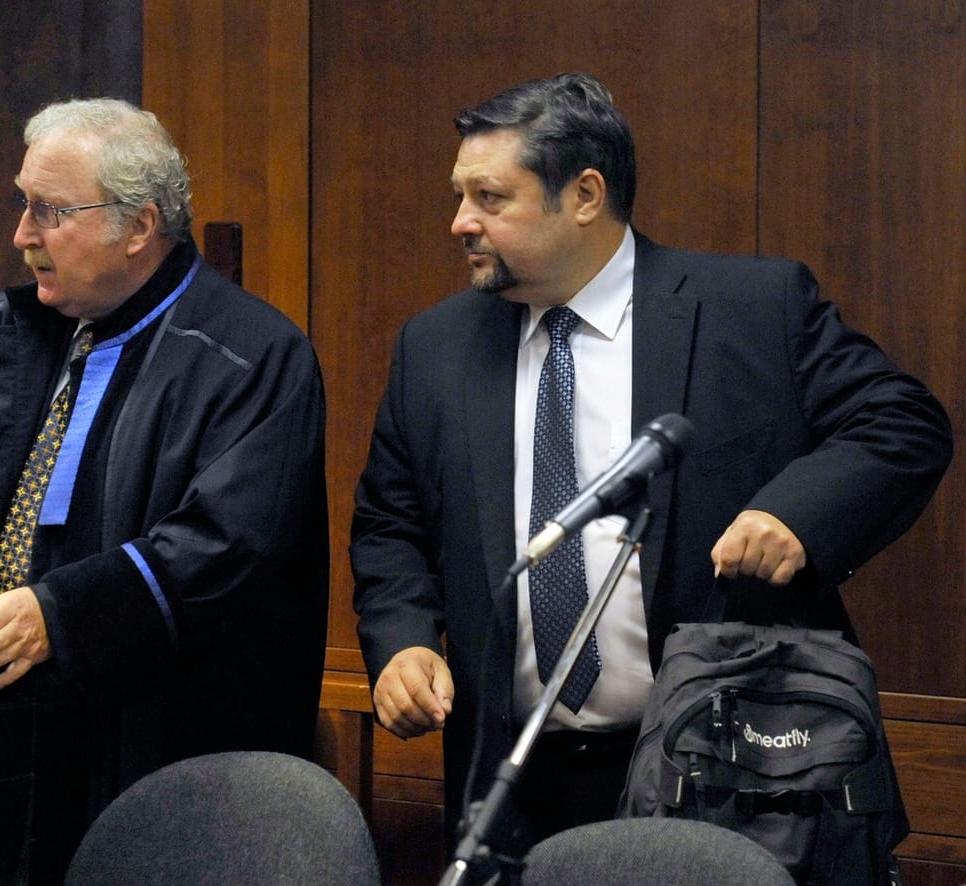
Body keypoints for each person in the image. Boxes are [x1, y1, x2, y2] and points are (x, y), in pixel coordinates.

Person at [350, 73, 952, 859]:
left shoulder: (752, 308)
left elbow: (903, 422)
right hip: (512, 780)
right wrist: (403, 641)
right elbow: (390, 523)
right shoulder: (435, 347)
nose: (460, 221)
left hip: (720, 774)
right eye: (461, 196)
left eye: (489, 198)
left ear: (585, 195)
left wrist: (796, 514)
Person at [0, 98, 329, 880]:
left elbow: (225, 547)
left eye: (49, 212)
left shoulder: (253, 356)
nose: (22, 234)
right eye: (23, 204)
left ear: (138, 227)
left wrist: (60, 615)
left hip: (160, 756)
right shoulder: (6, 329)